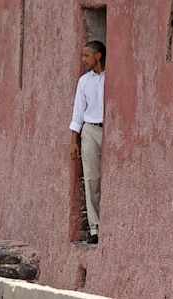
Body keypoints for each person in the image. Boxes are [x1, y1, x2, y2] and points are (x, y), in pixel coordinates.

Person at [69, 40, 106, 244]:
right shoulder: (84, 81)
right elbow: (77, 113)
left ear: (98, 56)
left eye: (87, 56)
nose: (83, 60)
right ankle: (95, 229)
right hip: (90, 131)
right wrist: (74, 141)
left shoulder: (112, 77)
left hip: (110, 130)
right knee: (92, 179)